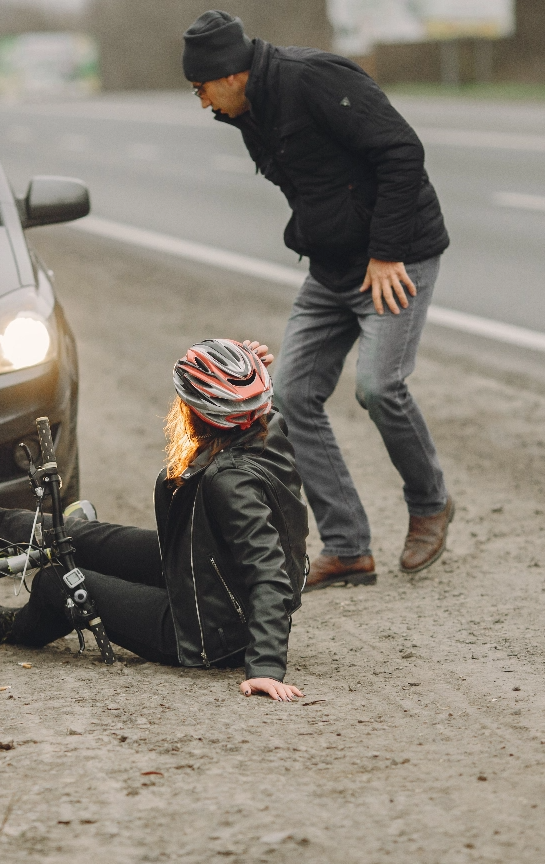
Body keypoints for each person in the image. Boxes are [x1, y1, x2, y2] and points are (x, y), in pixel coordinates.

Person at [182, 11, 454, 589]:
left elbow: (402, 151)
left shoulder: (314, 79)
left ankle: (430, 503)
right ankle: (349, 547)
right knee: (290, 395)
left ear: (229, 74)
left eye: (201, 88)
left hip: (393, 260)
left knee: (379, 387)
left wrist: (385, 251)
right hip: (332, 270)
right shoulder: (251, 111)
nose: (201, 102)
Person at [0, 339, 310, 701]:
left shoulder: (230, 483)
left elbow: (269, 572)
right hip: (199, 566)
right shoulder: (268, 427)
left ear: (198, 413)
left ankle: (6, 625)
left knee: (59, 581)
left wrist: (266, 667)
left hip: (204, 629)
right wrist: (240, 376)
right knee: (73, 535)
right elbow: (249, 405)